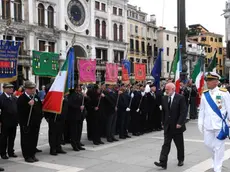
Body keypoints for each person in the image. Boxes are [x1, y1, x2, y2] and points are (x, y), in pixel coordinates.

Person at [198, 72, 230, 172]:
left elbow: (229, 108)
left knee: (219, 148)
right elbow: (202, 109)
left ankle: (217, 168)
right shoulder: (205, 94)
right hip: (208, 125)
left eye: (209, 80)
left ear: (216, 82)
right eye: (207, 80)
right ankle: (215, 159)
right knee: (208, 145)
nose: (207, 82)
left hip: (220, 125)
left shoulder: (224, 93)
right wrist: (200, 122)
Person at [154, 83, 187, 169]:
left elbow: (183, 112)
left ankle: (181, 159)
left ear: (173, 89)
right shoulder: (164, 98)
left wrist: (180, 123)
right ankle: (163, 162)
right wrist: (163, 122)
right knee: (166, 144)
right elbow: (164, 112)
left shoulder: (180, 98)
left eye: (167, 89)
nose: (166, 91)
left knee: (179, 145)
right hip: (168, 126)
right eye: (165, 89)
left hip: (177, 126)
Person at [17, 81, 43, 163]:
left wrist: (40, 117)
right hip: (26, 123)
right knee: (26, 140)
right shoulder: (22, 98)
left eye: (34, 88)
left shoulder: (35, 97)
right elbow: (20, 111)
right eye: (31, 88)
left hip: (35, 123)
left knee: (34, 139)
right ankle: (27, 155)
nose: (33, 90)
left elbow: (40, 107)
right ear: (26, 89)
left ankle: (32, 154)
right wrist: (28, 105)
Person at [0, 83, 18, 160]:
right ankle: (3, 153)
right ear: (4, 89)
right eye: (9, 88)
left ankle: (11, 151)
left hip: (13, 121)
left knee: (12, 138)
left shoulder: (14, 98)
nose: (11, 89)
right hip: (5, 122)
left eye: (12, 88)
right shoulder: (1, 98)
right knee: (4, 138)